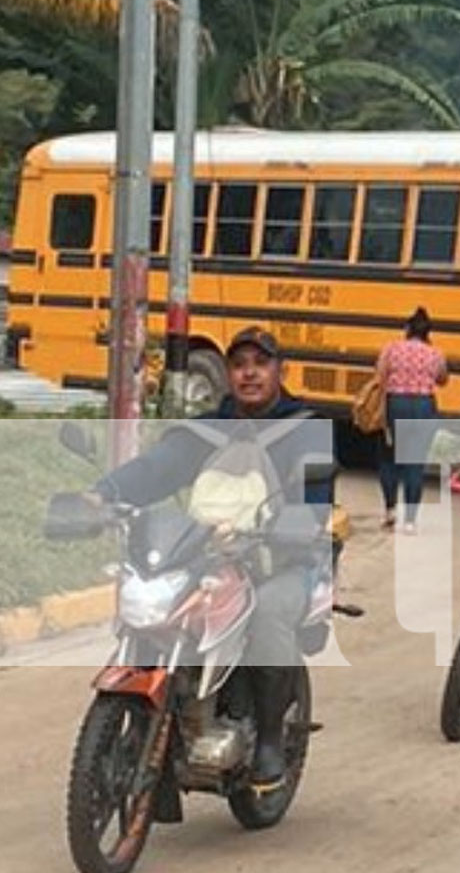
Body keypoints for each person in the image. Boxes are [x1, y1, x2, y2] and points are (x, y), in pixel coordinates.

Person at [84, 326, 336, 792]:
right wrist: (105, 495)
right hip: (211, 553)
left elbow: (315, 494)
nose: (249, 374)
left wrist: (298, 522)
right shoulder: (207, 429)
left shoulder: (306, 429)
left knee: (268, 616)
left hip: (286, 558)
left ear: (280, 371)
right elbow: (159, 467)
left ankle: (270, 741)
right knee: (160, 605)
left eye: (260, 364)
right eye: (239, 365)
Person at [375, 307, 448, 533]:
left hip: (396, 404)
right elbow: (443, 379)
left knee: (390, 458)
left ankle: (390, 511)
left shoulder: (391, 349)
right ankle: (410, 521)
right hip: (423, 406)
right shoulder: (435, 354)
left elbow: (380, 374)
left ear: (406, 329)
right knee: (415, 463)